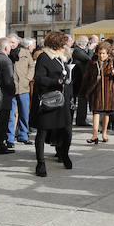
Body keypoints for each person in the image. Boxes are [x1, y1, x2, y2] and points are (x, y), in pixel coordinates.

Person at [30, 31, 74, 176]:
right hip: (49, 101)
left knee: (67, 131)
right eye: (64, 43)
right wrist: (57, 81)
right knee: (42, 133)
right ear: (58, 44)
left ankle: (64, 154)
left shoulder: (60, 58)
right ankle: (40, 163)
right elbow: (39, 79)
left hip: (63, 101)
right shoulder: (44, 57)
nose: (66, 46)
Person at [83, 42, 114, 143]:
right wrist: (85, 90)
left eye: (103, 53)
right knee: (95, 113)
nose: (101, 56)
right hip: (96, 92)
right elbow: (86, 77)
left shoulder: (113, 62)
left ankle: (104, 133)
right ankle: (94, 135)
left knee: (106, 114)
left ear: (108, 54)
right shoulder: (92, 63)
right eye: (100, 53)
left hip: (109, 92)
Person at [11, 37, 34, 145]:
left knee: (24, 113)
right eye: (9, 42)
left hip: (23, 87)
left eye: (13, 42)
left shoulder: (25, 52)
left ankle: (23, 135)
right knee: (11, 115)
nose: (11, 44)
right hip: (11, 88)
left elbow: (31, 65)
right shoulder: (6, 52)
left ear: (17, 43)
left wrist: (28, 78)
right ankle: (10, 138)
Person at [71, 35, 92, 127]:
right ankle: (80, 120)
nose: (88, 44)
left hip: (81, 78)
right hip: (78, 80)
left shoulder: (81, 51)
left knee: (83, 100)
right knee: (82, 100)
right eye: (87, 42)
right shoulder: (77, 51)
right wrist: (91, 50)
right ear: (82, 42)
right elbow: (89, 59)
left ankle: (82, 119)